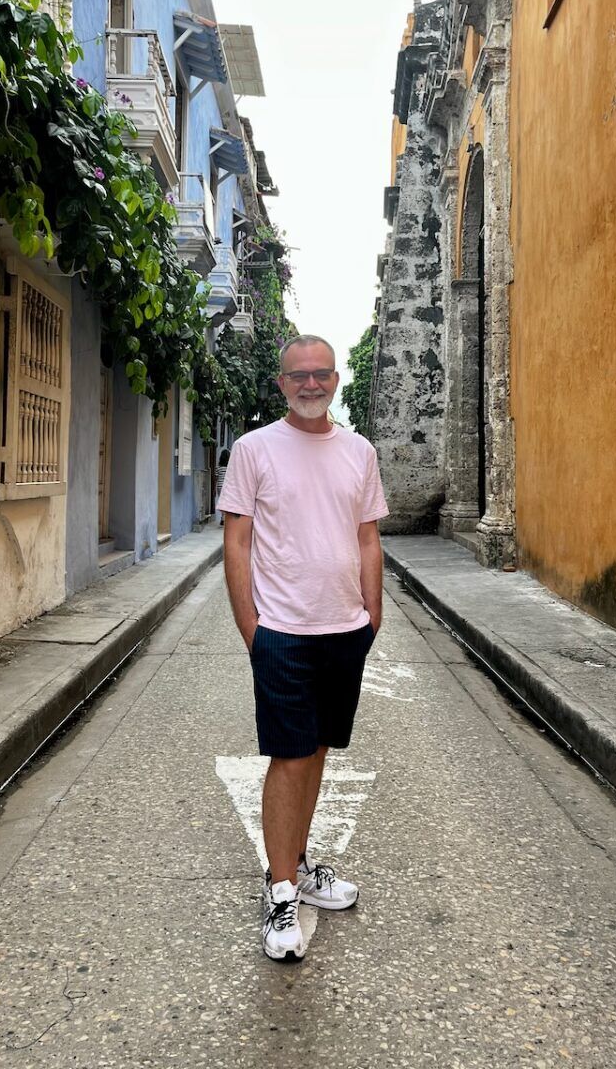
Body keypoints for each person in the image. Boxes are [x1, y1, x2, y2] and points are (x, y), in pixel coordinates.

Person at [218, 334, 389, 961]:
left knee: (317, 749)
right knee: (290, 758)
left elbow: (367, 536)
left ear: (336, 379)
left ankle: (298, 862)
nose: (310, 384)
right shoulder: (254, 449)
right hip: (283, 631)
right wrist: (251, 628)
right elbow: (236, 543)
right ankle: (281, 889)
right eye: (298, 376)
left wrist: (373, 615)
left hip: (345, 630)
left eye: (321, 374)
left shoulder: (359, 452)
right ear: (282, 383)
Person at [216, 446, 230, 525]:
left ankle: (222, 517)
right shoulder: (230, 468)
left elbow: (216, 478)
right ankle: (224, 518)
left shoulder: (218, 468)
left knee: (221, 502)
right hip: (227, 487)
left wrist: (214, 489)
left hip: (219, 487)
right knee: (227, 503)